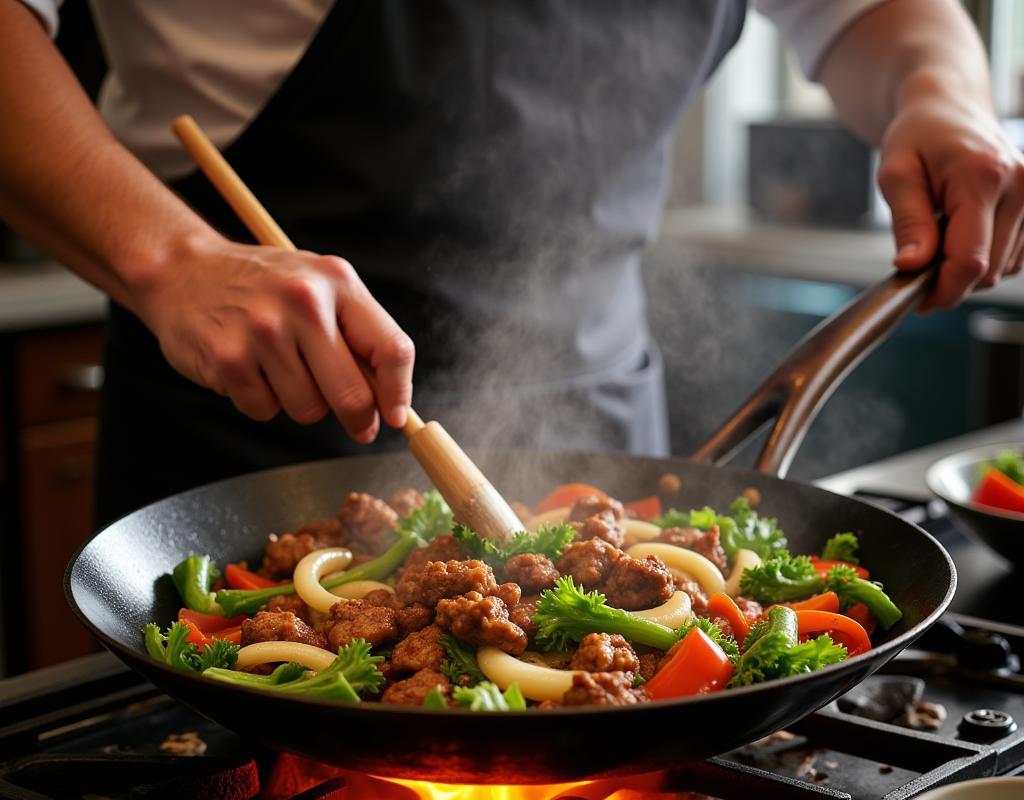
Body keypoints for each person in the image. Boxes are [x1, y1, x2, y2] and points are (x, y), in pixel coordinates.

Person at [2, 0, 1022, 523]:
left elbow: (871, 13)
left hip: (604, 434)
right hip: (249, 447)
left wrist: (939, 89)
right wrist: (172, 259)